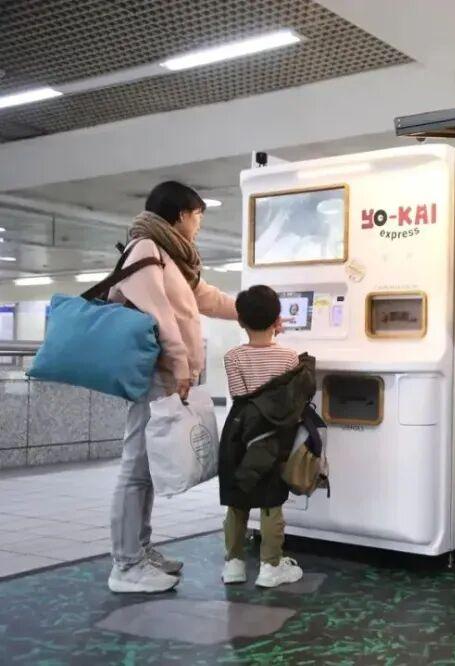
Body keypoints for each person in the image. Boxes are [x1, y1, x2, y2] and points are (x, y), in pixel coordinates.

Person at [107, 181, 238, 594]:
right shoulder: (145, 249)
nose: (199, 224)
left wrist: (255, 309)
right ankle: (126, 565)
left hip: (164, 374)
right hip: (154, 372)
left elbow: (206, 298)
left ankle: (140, 549)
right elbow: (159, 315)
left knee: (145, 469)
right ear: (181, 214)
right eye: (197, 216)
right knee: (135, 468)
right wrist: (181, 363)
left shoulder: (168, 256)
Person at [219, 285, 315, 588]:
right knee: (271, 501)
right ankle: (270, 567)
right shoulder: (289, 357)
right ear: (277, 319)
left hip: (239, 434)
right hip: (273, 436)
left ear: (240, 321)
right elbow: (287, 399)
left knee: (237, 499)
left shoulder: (232, 356)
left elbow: (240, 395)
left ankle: (234, 564)